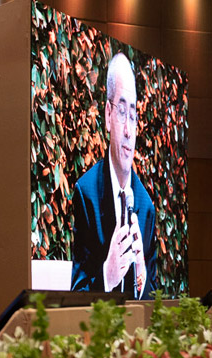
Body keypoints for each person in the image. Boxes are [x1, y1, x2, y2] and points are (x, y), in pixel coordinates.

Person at [71, 52, 157, 300]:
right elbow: (76, 295)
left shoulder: (146, 206)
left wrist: (140, 271)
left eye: (133, 115)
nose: (129, 131)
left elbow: (154, 304)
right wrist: (107, 276)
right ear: (108, 115)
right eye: (121, 112)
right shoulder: (86, 194)